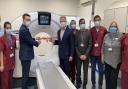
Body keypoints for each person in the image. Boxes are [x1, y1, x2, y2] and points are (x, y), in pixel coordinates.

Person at [19, 13, 41, 89]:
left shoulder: (25, 28)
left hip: (26, 55)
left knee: (26, 73)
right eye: (27, 19)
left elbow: (28, 39)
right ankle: (24, 87)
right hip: (25, 56)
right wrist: (37, 42)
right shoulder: (23, 30)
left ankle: (25, 87)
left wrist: (35, 39)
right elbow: (29, 41)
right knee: (25, 74)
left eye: (29, 20)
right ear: (23, 20)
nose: (28, 21)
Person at [102, 21, 123, 89]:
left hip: (116, 62)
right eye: (112, 26)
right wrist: (102, 56)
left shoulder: (121, 36)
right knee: (107, 79)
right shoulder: (106, 36)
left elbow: (123, 48)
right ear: (109, 27)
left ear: (117, 28)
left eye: (114, 26)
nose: (113, 28)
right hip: (107, 61)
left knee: (113, 81)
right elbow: (103, 47)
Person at [90, 15, 107, 89]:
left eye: (98, 20)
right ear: (94, 21)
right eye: (95, 20)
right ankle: (93, 84)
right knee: (93, 70)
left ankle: (100, 85)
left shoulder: (104, 29)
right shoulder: (91, 30)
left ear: (100, 20)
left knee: (101, 71)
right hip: (92, 54)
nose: (97, 21)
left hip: (100, 54)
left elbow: (107, 40)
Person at [75, 18, 92, 89]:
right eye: (81, 23)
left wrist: (85, 54)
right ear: (79, 24)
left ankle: (84, 84)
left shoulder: (88, 32)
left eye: (84, 22)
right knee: (78, 70)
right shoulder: (77, 33)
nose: (83, 24)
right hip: (78, 56)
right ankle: (78, 83)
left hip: (86, 56)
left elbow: (90, 44)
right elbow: (75, 45)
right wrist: (79, 55)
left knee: (85, 71)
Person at [0, 22, 16, 89]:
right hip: (5, 63)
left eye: (10, 28)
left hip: (11, 62)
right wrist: (1, 65)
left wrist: (14, 62)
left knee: (10, 81)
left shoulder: (13, 37)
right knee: (5, 82)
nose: (9, 29)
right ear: (4, 29)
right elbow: (0, 52)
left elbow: (14, 51)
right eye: (7, 28)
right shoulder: (2, 38)